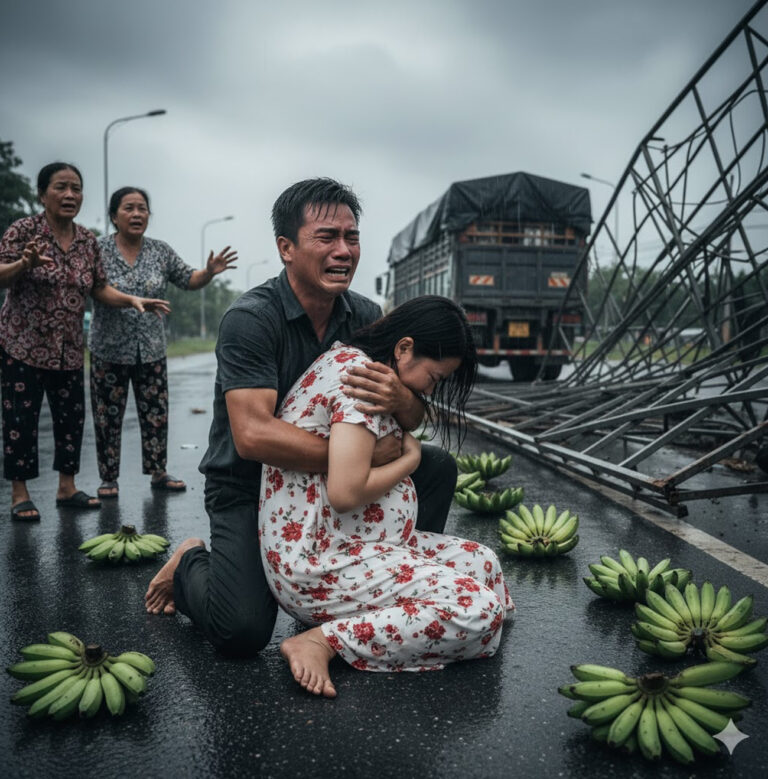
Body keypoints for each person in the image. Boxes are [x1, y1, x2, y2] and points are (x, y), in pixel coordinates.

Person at [144, 178, 458, 660]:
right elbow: (252, 436)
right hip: (246, 486)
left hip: (324, 483)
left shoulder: (366, 316)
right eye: (326, 237)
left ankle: (385, 590)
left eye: (352, 237)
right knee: (242, 632)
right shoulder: (252, 318)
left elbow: (413, 411)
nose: (344, 251)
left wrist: (400, 397)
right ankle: (190, 562)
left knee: (435, 467)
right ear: (286, 248)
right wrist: (360, 459)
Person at [262, 296, 512, 697]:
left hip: (359, 543)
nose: (434, 388)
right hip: (321, 561)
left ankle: (405, 622)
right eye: (435, 379)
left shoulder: (373, 371)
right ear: (404, 349)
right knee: (478, 611)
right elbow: (345, 492)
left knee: (484, 565)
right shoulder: (361, 386)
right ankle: (322, 640)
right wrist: (410, 460)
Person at [0, 162, 171, 521]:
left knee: (70, 420)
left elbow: (98, 288)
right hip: (23, 345)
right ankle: (20, 494)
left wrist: (131, 300)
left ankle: (67, 487)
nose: (69, 195)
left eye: (76, 188)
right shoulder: (23, 231)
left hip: (69, 349)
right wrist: (22, 265)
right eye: (61, 187)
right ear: (42, 194)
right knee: (21, 420)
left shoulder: (86, 241)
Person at [88, 187, 238, 499]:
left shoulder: (160, 251)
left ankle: (158, 472)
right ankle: (108, 479)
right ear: (114, 216)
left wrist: (209, 272)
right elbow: (95, 288)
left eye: (142, 208)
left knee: (155, 413)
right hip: (109, 348)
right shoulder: (97, 249)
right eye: (129, 208)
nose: (137, 214)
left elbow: (188, 279)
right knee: (107, 417)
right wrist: (132, 301)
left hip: (151, 348)